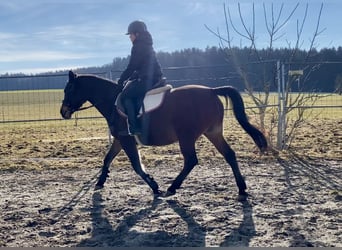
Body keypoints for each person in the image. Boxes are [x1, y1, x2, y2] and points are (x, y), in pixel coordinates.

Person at [118, 20, 163, 136]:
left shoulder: (138, 46)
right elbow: (142, 65)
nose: (130, 38)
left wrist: (121, 79)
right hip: (154, 77)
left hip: (148, 80)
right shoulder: (147, 44)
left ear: (137, 34)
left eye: (130, 35)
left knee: (125, 95)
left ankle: (134, 127)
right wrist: (134, 76)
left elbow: (132, 66)